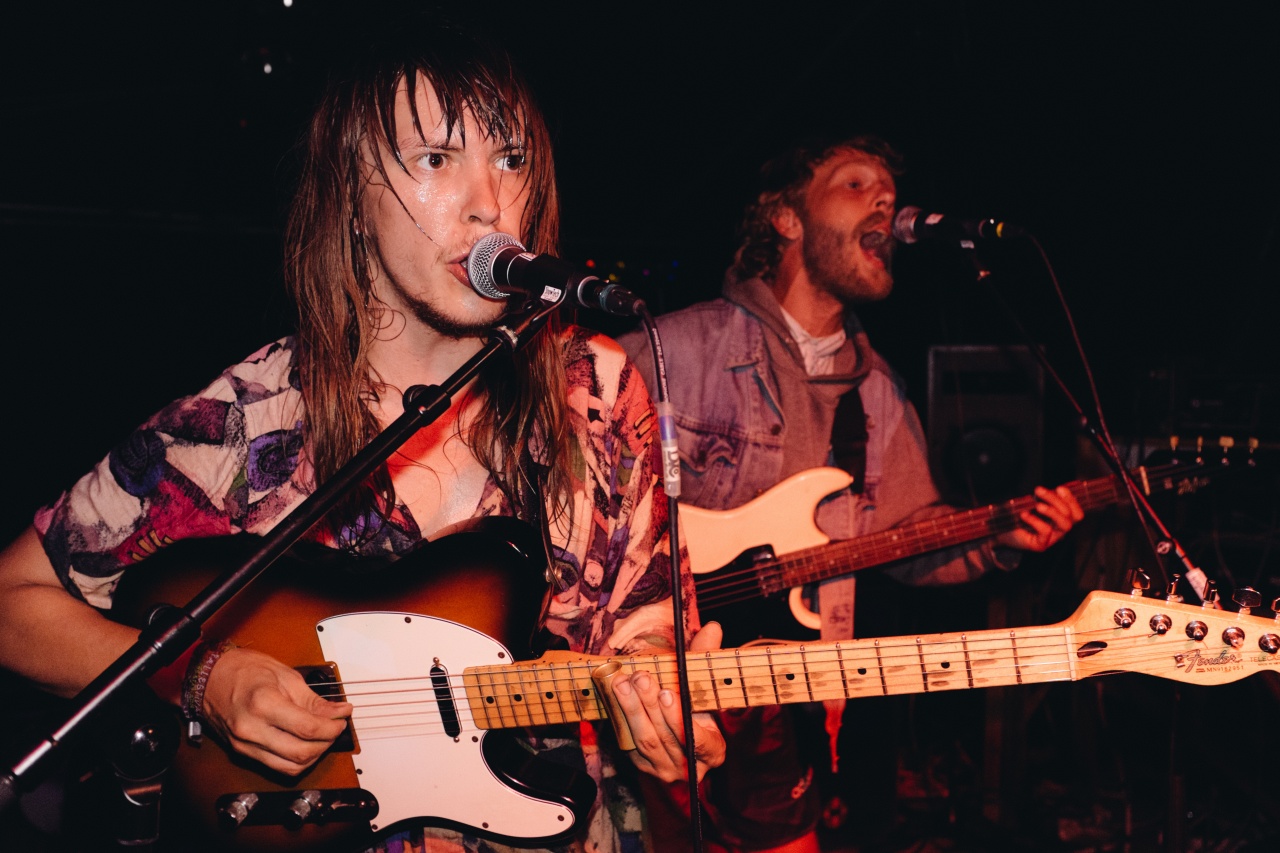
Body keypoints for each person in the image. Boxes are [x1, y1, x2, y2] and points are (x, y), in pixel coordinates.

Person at [0, 22, 724, 853]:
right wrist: (205, 678)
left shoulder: (598, 391)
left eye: (511, 159)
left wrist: (661, 700)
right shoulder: (251, 416)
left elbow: (643, 621)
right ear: (352, 198)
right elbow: (13, 600)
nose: (489, 201)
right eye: (436, 158)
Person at [618, 136, 1084, 852]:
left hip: (784, 693)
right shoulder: (670, 351)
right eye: (856, 183)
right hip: (655, 691)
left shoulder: (878, 392)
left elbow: (908, 538)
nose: (886, 200)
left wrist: (1000, 540)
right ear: (786, 218)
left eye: (889, 190)